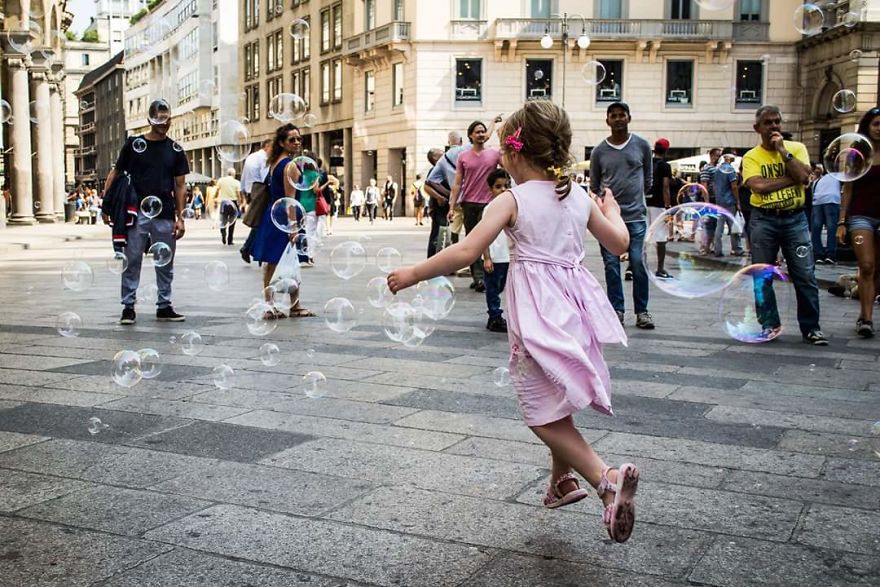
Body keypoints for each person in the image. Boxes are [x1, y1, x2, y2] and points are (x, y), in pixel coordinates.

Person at [387, 101, 640, 543]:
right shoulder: (578, 196)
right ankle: (561, 482)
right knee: (556, 395)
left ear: (515, 153)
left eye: (503, 149)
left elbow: (466, 251)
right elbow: (619, 243)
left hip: (538, 315)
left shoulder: (511, 199)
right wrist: (613, 210)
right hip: (575, 310)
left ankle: (605, 479)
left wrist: (412, 273)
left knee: (539, 412)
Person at [742, 104, 827, 345]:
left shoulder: (796, 148)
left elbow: (805, 177)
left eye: (777, 121)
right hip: (763, 219)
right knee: (762, 276)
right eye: (768, 122)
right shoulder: (751, 156)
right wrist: (794, 178)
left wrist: (782, 151)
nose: (774, 126)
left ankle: (811, 327)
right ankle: (769, 325)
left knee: (805, 274)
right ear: (757, 128)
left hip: (795, 218)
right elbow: (758, 186)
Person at [103, 99, 188, 325]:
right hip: (135, 212)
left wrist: (181, 217)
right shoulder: (133, 144)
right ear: (149, 119)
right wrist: (106, 204)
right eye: (159, 118)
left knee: (165, 262)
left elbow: (180, 185)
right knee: (131, 259)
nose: (164, 123)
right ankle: (128, 307)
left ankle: (164, 305)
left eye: (167, 118)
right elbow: (116, 172)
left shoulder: (175, 150)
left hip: (165, 213)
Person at [589, 101, 655, 329]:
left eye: (621, 115)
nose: (618, 119)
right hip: (609, 219)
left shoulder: (642, 145)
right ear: (607, 121)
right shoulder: (599, 151)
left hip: (636, 216)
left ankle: (642, 311)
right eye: (613, 116)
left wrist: (636, 197)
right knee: (611, 265)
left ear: (629, 118)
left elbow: (648, 180)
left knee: (638, 263)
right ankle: (616, 310)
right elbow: (595, 184)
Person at [251, 123, 315, 318]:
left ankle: (274, 304)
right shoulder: (290, 165)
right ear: (281, 142)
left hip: (273, 215)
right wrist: (293, 227)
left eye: (298, 139)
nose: (297, 142)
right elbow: (290, 201)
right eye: (291, 139)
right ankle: (288, 306)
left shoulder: (274, 163)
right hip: (285, 217)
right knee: (284, 261)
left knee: (275, 261)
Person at [837, 107, 880, 338]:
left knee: (877, 269)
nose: (879, 128)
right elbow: (848, 189)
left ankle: (865, 311)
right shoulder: (858, 153)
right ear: (867, 126)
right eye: (876, 124)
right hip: (861, 215)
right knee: (866, 265)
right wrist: (842, 222)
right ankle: (866, 319)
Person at [448, 120, 502, 293]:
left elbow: (510, 168)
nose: (481, 134)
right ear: (470, 135)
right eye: (477, 132)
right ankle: (478, 277)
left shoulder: (495, 154)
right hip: (469, 203)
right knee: (473, 241)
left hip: (490, 203)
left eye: (483, 131)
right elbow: (457, 183)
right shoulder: (463, 156)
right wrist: (452, 206)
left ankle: (487, 275)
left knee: (488, 240)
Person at [482, 168, 511, 333]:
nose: (503, 190)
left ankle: (498, 314)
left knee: (502, 286)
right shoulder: (489, 209)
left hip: (508, 256)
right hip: (495, 257)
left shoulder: (512, 207)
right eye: (498, 187)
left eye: (506, 186)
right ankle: (494, 316)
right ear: (490, 189)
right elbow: (483, 235)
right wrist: (486, 257)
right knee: (493, 288)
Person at [239, 138, 273, 263]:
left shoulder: (251, 156)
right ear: (266, 146)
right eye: (273, 147)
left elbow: (243, 177)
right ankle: (248, 248)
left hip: (252, 190)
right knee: (261, 222)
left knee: (259, 222)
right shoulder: (263, 158)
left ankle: (250, 249)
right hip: (261, 190)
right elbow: (266, 177)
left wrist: (244, 191)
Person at [648, 138, 673, 279]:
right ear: (666, 151)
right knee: (661, 237)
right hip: (658, 204)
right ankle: (660, 269)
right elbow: (665, 187)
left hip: (644, 203)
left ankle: (632, 268)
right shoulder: (665, 166)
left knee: (640, 236)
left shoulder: (647, 163)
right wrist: (668, 206)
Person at [713, 151, 744, 257]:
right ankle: (737, 249)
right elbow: (734, 187)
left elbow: (715, 185)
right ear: (728, 157)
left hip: (719, 201)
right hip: (729, 201)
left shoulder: (717, 169)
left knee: (719, 227)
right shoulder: (730, 170)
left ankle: (717, 249)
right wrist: (738, 201)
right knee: (733, 226)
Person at [811, 165, 841, 265]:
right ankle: (830, 255)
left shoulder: (818, 180)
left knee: (816, 229)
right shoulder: (837, 176)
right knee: (832, 229)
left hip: (817, 202)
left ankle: (818, 255)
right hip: (832, 200)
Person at [216, 168, 242, 246]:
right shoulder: (237, 182)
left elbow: (217, 190)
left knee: (223, 220)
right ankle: (230, 240)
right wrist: (239, 203)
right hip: (233, 203)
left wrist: (215, 197)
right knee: (232, 222)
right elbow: (238, 194)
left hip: (224, 202)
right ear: (234, 174)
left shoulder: (221, 180)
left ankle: (223, 232)